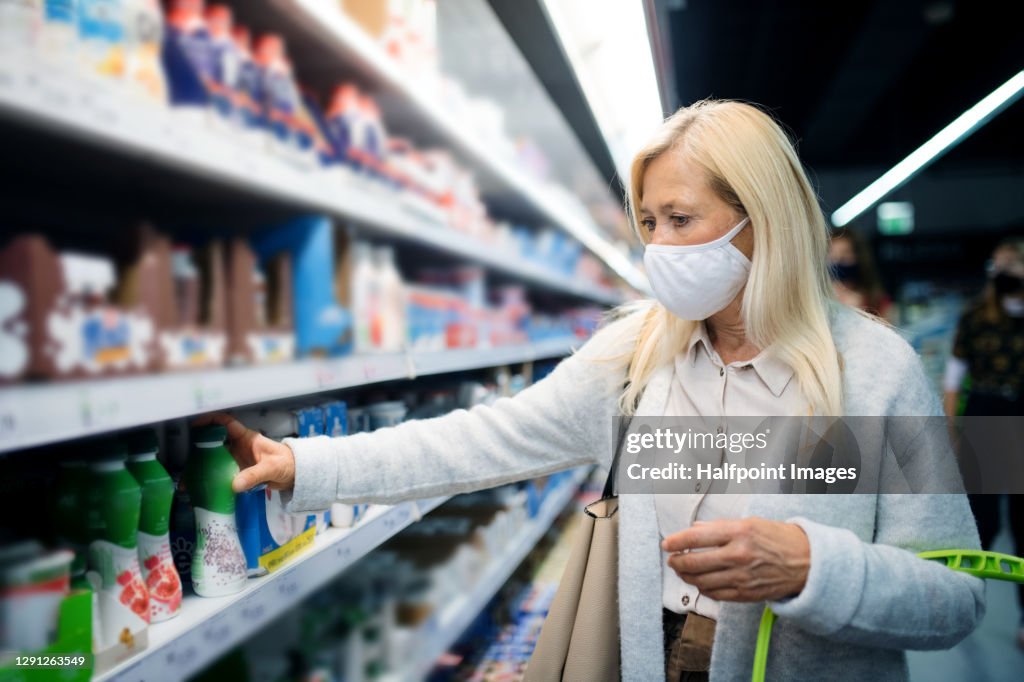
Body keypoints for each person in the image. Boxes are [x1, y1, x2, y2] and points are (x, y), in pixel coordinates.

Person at [200, 100, 983, 681]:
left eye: (681, 218)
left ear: (764, 221)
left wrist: (815, 567)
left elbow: (956, 598)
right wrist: (310, 466)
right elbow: (485, 438)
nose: (659, 248)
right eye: (647, 221)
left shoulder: (876, 372)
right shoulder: (640, 355)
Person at [944, 239, 1024, 648]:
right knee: (984, 519)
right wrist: (953, 432)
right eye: (1005, 265)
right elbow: (954, 381)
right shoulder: (976, 316)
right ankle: (967, 599)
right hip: (987, 416)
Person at [828, 227, 891, 318]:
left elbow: (887, 330)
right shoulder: (818, 299)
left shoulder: (876, 300)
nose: (837, 259)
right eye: (831, 253)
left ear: (859, 257)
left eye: (845, 253)